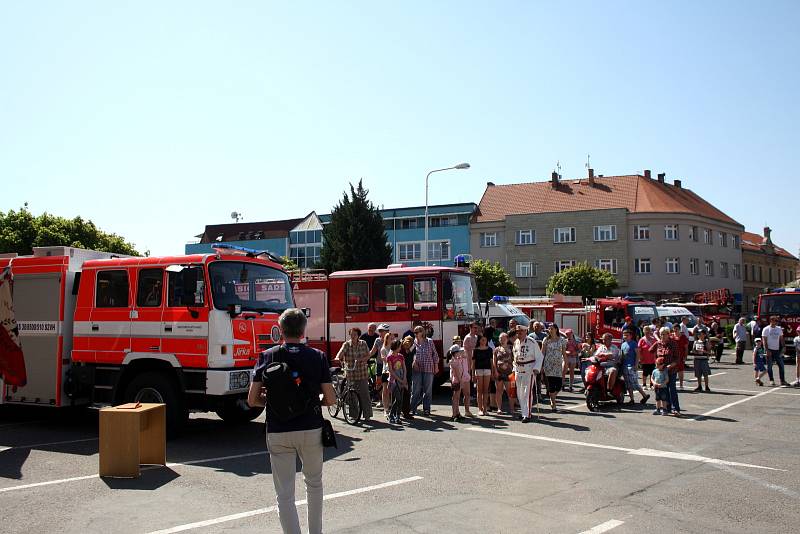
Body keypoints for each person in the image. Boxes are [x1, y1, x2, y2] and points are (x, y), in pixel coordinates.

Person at [248, 308, 336, 534]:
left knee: (285, 494)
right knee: (314, 484)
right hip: (310, 428)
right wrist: (315, 402)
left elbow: (252, 400)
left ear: (280, 329)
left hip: (278, 429)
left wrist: (269, 402)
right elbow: (331, 398)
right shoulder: (317, 357)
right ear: (303, 329)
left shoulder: (268, 356)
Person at [335, 327, 372, 423]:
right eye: (351, 334)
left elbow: (368, 354)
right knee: (352, 396)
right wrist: (337, 358)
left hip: (362, 372)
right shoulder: (346, 344)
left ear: (358, 335)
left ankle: (367, 415)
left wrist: (364, 359)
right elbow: (340, 353)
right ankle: (353, 415)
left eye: (354, 334)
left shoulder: (363, 343)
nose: (352, 336)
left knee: (365, 394)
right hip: (351, 372)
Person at [513, 325, 543, 422]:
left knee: (527, 393)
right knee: (519, 393)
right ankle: (523, 412)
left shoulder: (531, 342)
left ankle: (528, 414)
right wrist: (514, 369)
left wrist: (536, 368)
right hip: (518, 369)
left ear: (525, 331)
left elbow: (539, 356)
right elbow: (515, 358)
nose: (519, 333)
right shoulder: (516, 342)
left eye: (521, 331)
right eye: (517, 331)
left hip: (529, 370)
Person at [649, 326, 681, 415]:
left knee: (672, 389)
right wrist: (656, 361)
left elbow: (677, 359)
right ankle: (667, 408)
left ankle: (676, 408)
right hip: (661, 372)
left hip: (671, 370)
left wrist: (670, 366)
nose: (662, 336)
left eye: (664, 334)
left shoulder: (673, 343)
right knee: (664, 390)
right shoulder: (658, 343)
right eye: (661, 334)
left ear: (668, 334)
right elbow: (650, 350)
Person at [410, 325, 439, 416]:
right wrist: (413, 363)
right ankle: (412, 408)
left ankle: (427, 409)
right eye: (414, 332)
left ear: (422, 332)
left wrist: (436, 366)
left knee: (428, 390)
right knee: (416, 389)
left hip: (428, 367)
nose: (415, 334)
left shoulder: (429, 341)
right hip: (417, 369)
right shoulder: (413, 343)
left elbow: (435, 354)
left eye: (417, 332)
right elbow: (410, 355)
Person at [540, 324, 566, 411]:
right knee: (551, 385)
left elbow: (564, 354)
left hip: (558, 365)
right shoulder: (546, 340)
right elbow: (542, 352)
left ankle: (552, 397)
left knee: (558, 385)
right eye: (549, 329)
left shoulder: (562, 340)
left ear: (556, 329)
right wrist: (540, 364)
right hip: (548, 365)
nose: (550, 330)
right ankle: (553, 403)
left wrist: (565, 363)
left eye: (551, 329)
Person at [621, 329, 650, 404]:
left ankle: (644, 395)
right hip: (624, 366)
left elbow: (638, 354)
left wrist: (636, 365)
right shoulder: (623, 344)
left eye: (627, 335)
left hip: (632, 366)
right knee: (628, 384)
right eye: (624, 335)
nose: (625, 336)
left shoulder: (633, 343)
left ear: (630, 336)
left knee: (635, 383)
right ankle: (632, 399)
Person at [761, 315, 789, 386]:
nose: (777, 322)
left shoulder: (778, 329)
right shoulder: (766, 329)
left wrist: (784, 347)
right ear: (771, 321)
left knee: (781, 366)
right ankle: (771, 380)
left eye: (777, 321)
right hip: (769, 349)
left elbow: (781, 339)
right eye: (775, 320)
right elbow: (764, 341)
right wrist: (767, 350)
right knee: (770, 366)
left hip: (777, 350)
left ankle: (782, 380)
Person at [386, 339, 407, 424]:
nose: (400, 348)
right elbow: (391, 371)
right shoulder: (390, 357)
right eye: (399, 346)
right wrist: (400, 380)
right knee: (398, 399)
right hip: (394, 381)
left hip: (401, 379)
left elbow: (404, 368)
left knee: (400, 399)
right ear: (395, 347)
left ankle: (397, 416)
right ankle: (391, 415)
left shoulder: (401, 356)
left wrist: (404, 378)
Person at [492, 332, 515, 414]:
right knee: (499, 390)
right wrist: (495, 371)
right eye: (500, 339)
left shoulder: (511, 348)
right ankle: (499, 408)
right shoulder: (496, 349)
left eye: (504, 339)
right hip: (499, 373)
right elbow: (494, 361)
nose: (502, 340)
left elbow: (514, 359)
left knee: (510, 391)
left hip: (509, 372)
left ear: (507, 339)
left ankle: (512, 408)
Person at [472, 334, 493, 416]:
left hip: (487, 370)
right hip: (479, 370)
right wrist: (473, 374)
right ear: (479, 341)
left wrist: (492, 371)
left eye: (485, 340)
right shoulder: (476, 350)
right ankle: (480, 409)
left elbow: (491, 361)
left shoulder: (490, 349)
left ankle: (485, 409)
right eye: (482, 340)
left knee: (486, 390)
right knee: (479, 390)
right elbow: (473, 363)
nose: (484, 341)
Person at [449, 343, 471, 421]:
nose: (460, 353)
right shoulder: (454, 361)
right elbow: (457, 372)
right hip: (457, 381)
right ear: (455, 353)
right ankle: (454, 415)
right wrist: (461, 381)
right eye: (458, 351)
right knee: (456, 398)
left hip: (457, 380)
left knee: (456, 398)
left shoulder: (455, 360)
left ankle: (456, 414)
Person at [399, 336, 416, 419]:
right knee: (399, 393)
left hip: (408, 374)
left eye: (410, 343)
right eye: (407, 342)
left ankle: (406, 412)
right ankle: (398, 412)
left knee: (407, 393)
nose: (408, 344)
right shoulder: (400, 351)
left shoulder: (410, 351)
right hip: (400, 374)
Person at [671, 323, 689, 389]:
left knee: (680, 371)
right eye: (674, 329)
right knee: (673, 371)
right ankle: (673, 385)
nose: (675, 330)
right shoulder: (671, 336)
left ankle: (681, 385)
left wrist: (685, 357)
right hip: (672, 357)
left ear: (679, 329)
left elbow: (686, 348)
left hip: (680, 356)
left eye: (677, 329)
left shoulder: (683, 337)